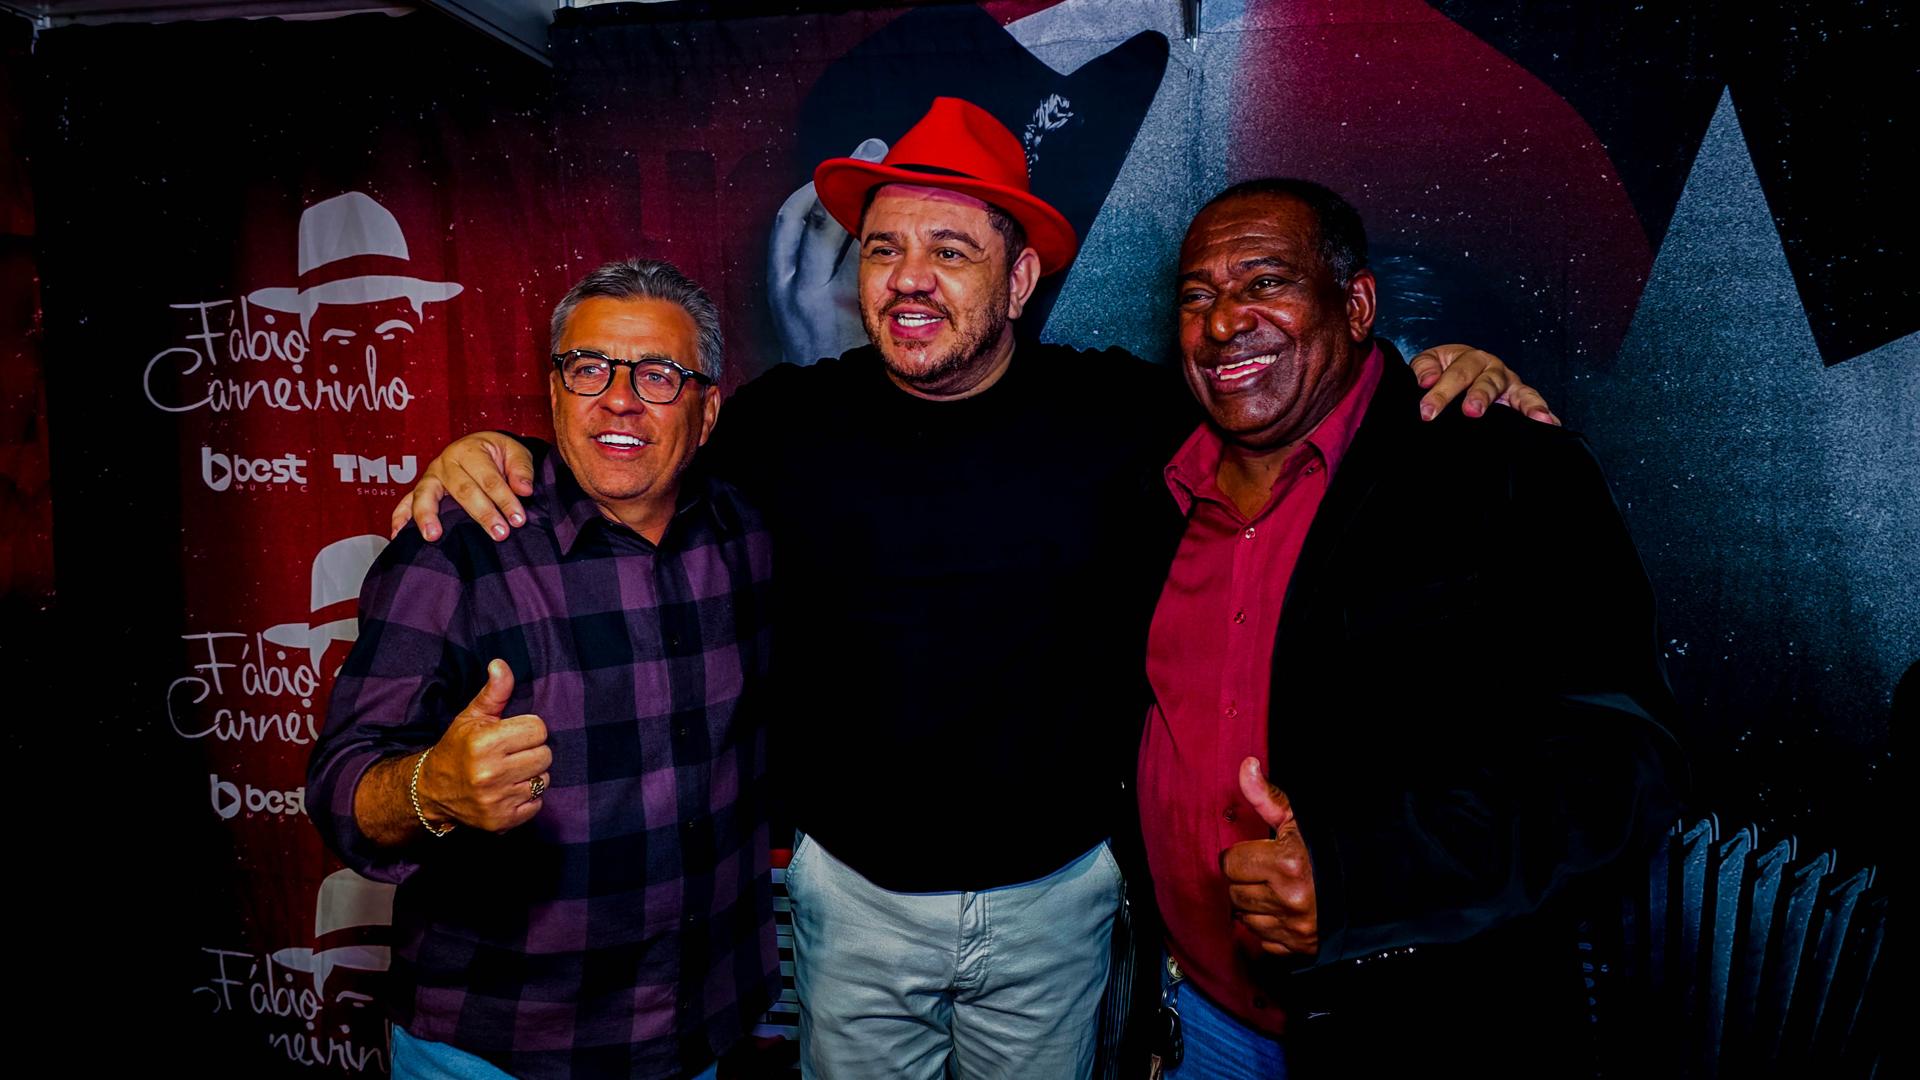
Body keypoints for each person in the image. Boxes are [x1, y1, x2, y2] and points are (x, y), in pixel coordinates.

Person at [394, 100, 1556, 1080]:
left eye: (950, 252)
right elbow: (634, 451)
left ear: (1021, 278)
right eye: (884, 249)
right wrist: (499, 452)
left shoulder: (1121, 415)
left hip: (1059, 898)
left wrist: (1434, 375)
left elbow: (1290, 402)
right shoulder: (784, 426)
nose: (909, 280)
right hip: (854, 899)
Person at [1135, 178, 1681, 1077]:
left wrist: (1360, 879)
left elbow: (1623, 766)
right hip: (1195, 1016)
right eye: (1199, 296)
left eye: (1265, 282)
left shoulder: (1502, 469)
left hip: (1416, 1034)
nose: (1225, 322)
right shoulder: (1154, 480)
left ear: (1357, 305)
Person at [308, 259, 776, 1080]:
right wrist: (430, 789)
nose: (619, 399)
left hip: (700, 1031)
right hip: (500, 1048)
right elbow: (340, 789)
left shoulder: (746, 532)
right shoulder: (454, 551)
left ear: (707, 413)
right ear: (556, 391)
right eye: (589, 368)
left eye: (658, 375)